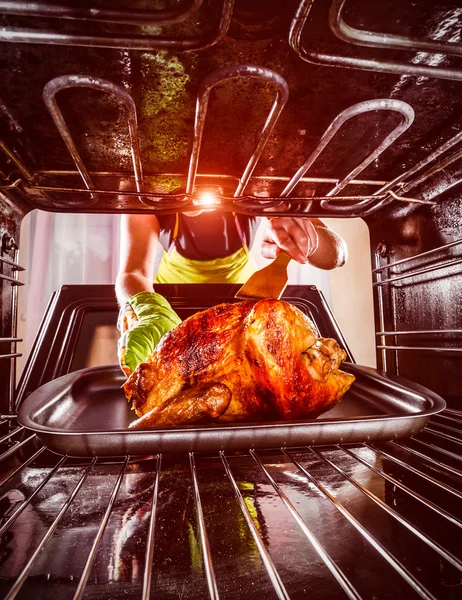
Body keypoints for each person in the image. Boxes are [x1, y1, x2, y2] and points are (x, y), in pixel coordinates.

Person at [116, 207, 347, 376]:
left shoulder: (256, 187)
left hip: (244, 303)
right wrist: (147, 309)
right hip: (173, 307)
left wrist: (308, 240)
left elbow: (338, 254)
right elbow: (132, 273)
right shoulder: (150, 197)